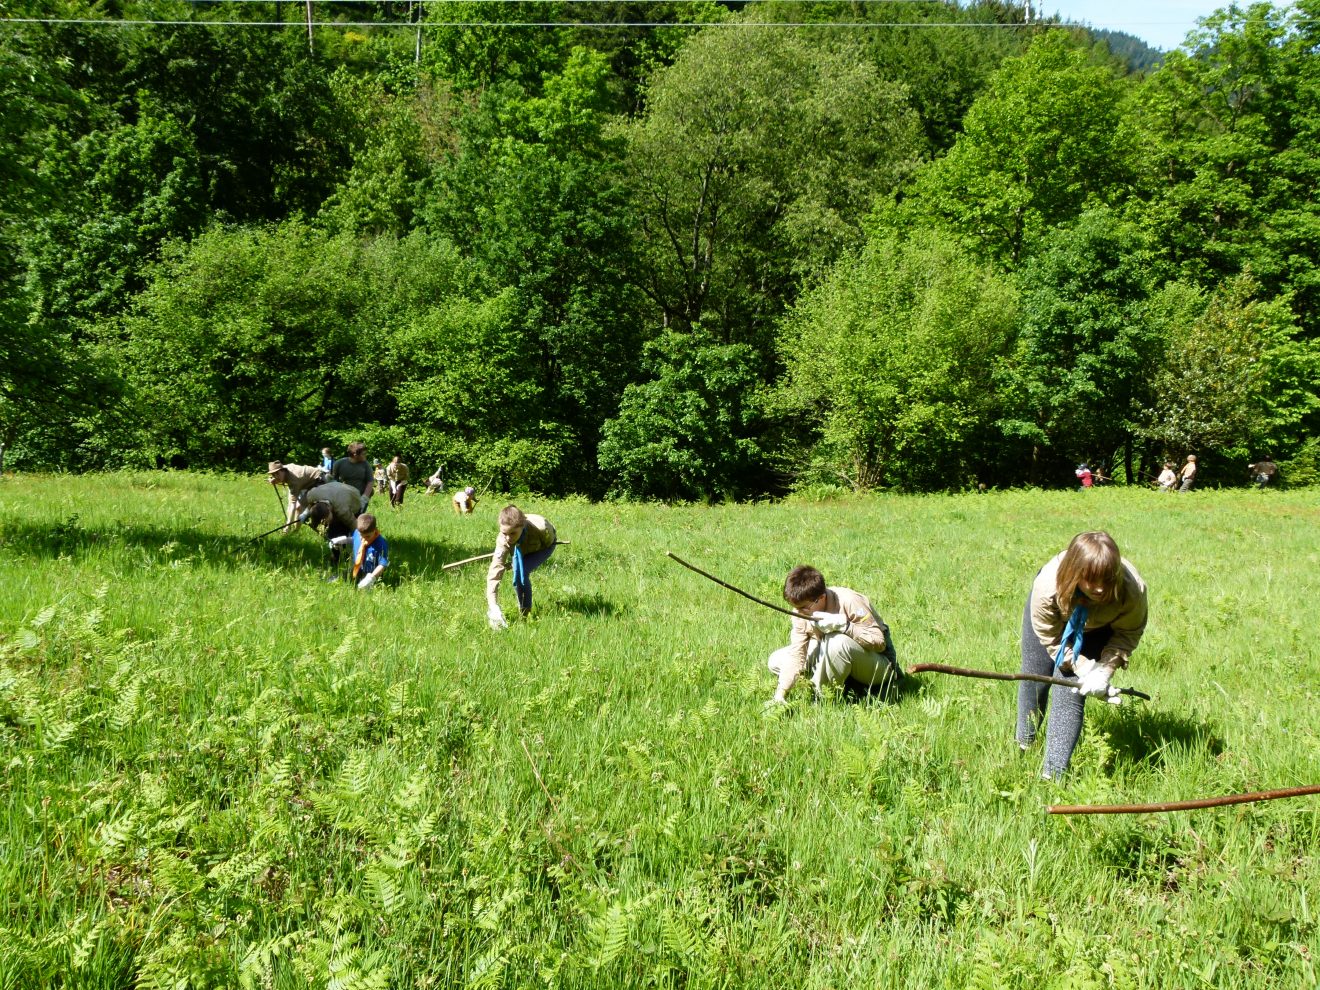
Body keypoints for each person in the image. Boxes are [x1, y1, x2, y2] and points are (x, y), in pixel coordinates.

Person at [1017, 531, 1148, 779]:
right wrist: (1082, 666)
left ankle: (1053, 776)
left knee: (1070, 689)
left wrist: (1102, 671)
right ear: (1075, 573)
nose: (1100, 588)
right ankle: (1024, 744)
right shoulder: (1047, 586)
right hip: (1054, 626)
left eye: (1107, 580)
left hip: (1098, 628)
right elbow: (1051, 637)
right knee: (1034, 679)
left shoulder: (1131, 590)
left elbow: (1127, 634)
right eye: (1091, 580)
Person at [766, 565, 898, 705]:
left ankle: (822, 700)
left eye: (804, 608)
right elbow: (797, 654)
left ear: (821, 597)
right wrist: (781, 693)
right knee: (776, 660)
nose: (799, 613)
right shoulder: (801, 611)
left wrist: (845, 626)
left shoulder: (849, 601)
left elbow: (879, 643)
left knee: (837, 642)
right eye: (796, 607)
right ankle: (835, 681)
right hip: (830, 652)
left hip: (879, 664)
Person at [486, 505, 557, 629]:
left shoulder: (541, 528)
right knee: (517, 572)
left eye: (513, 533)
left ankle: (525, 615)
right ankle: (521, 613)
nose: (508, 538)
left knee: (521, 572)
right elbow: (494, 572)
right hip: (522, 549)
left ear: (522, 526)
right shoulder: (503, 540)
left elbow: (549, 543)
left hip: (543, 547)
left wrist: (522, 562)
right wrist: (493, 606)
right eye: (504, 533)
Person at [295, 480, 363, 571]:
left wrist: (358, 543)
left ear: (330, 510)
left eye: (326, 521)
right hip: (334, 491)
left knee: (340, 530)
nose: (325, 524)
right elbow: (312, 504)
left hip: (352, 496)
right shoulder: (311, 495)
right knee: (332, 532)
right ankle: (336, 557)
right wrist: (305, 514)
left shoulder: (343, 510)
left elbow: (355, 527)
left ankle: (345, 556)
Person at [268, 460, 329, 526]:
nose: (276, 476)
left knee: (300, 508)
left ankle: (296, 530)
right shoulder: (285, 469)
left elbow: (292, 504)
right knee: (296, 507)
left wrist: (287, 525)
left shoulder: (294, 480)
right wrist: (275, 480)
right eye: (273, 474)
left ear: (283, 470)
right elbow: (281, 477)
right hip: (308, 483)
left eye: (277, 473)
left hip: (319, 481)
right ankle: (295, 528)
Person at [331, 442, 374, 512]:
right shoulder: (339, 463)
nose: (366, 455)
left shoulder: (365, 464)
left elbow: (370, 481)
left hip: (360, 496)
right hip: (344, 496)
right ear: (355, 454)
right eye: (363, 454)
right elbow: (334, 481)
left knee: (358, 518)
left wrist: (364, 498)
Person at [350, 513, 389, 590]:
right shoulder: (357, 533)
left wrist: (371, 578)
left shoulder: (381, 544)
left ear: (374, 530)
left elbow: (383, 564)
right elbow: (353, 539)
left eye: (367, 536)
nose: (363, 538)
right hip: (357, 569)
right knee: (338, 578)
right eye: (361, 535)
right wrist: (342, 541)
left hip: (372, 575)